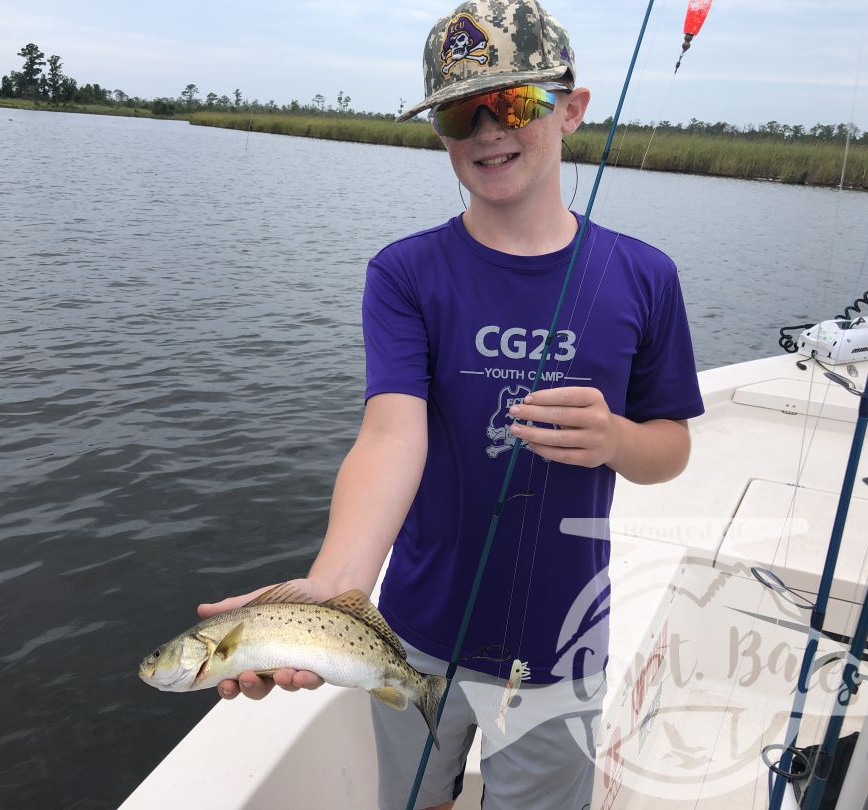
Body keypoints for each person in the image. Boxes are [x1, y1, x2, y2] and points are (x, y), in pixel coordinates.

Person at [198, 1, 705, 807]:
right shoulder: (405, 274)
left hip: (560, 641)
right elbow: (390, 435)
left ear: (571, 109)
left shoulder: (645, 276)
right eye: (457, 114)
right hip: (414, 628)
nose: (485, 133)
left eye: (511, 103)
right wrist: (335, 586)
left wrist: (613, 438)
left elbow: (671, 446)